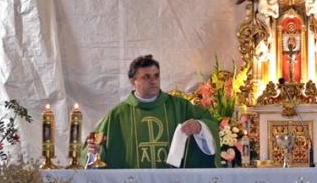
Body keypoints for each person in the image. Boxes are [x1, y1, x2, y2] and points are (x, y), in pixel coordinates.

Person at [86, 54, 220, 169]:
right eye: (146, 77)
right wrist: (96, 151)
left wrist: (199, 126)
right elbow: (92, 148)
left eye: (156, 76)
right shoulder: (118, 115)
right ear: (133, 81)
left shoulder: (180, 106)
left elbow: (211, 124)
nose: (153, 81)